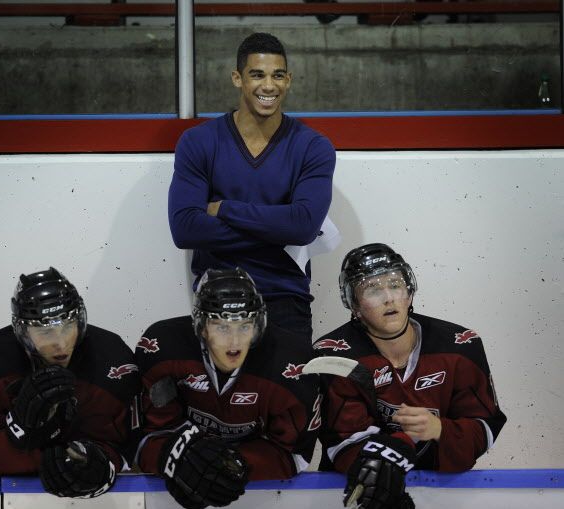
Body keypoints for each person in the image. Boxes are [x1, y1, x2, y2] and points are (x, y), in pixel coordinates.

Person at [168, 32, 336, 339]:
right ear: (237, 78)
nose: (269, 86)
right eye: (257, 75)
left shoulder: (313, 146)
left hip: (286, 298)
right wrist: (278, 229)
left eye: (278, 76)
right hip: (216, 296)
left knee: (292, 388)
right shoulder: (199, 141)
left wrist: (224, 209)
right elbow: (185, 229)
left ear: (289, 80)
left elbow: (303, 228)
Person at [313, 243, 507, 509]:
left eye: (395, 285)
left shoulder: (460, 346)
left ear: (409, 293)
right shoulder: (333, 356)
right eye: (372, 289)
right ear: (354, 304)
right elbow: (341, 442)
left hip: (444, 490)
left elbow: (485, 427)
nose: (389, 298)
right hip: (359, 491)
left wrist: (440, 429)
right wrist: (397, 450)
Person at [134, 268, 320, 509]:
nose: (234, 342)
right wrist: (177, 456)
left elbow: (295, 454)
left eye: (245, 326)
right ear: (201, 327)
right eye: (222, 327)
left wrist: (233, 465)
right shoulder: (163, 348)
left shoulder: (292, 362)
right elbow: (147, 434)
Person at [0, 267, 139, 499]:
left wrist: (97, 466)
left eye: (67, 327)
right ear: (22, 331)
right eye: (45, 332)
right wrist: (20, 428)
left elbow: (127, 448)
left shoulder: (113, 361)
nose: (61, 344)